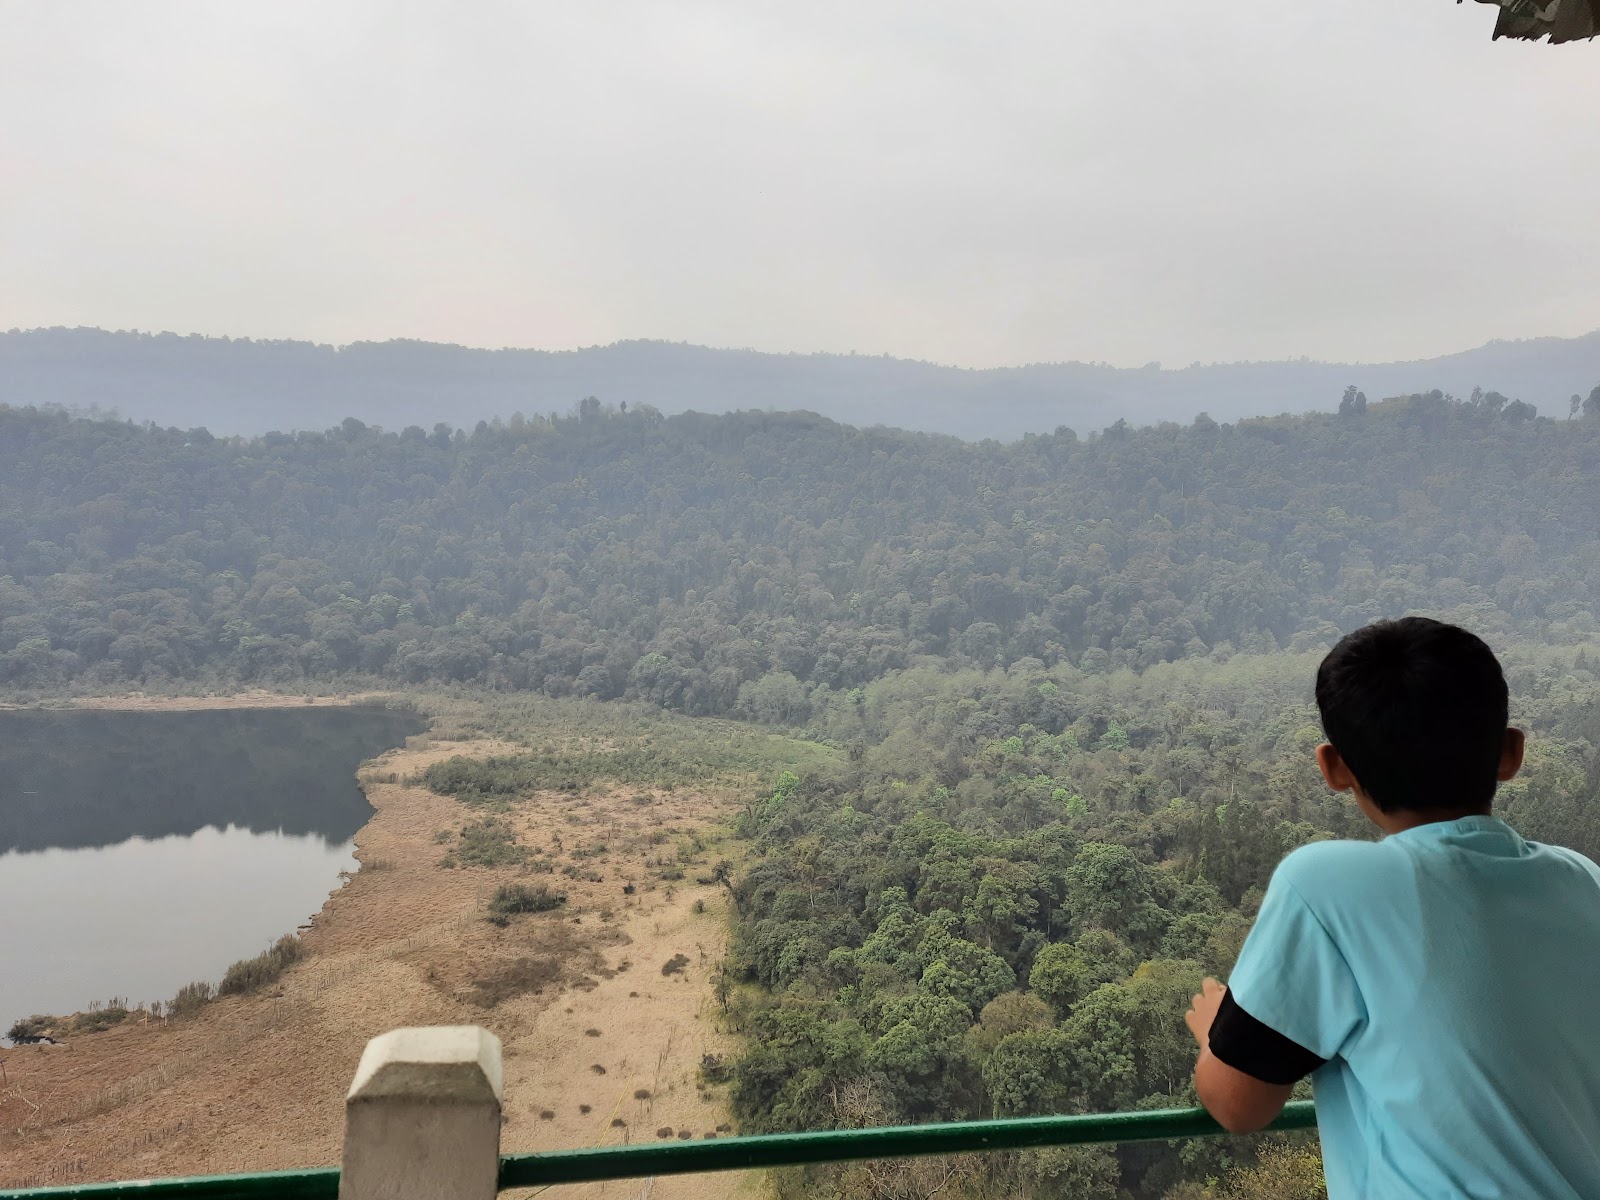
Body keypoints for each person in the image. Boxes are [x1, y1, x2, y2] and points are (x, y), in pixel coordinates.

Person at [1183, 617, 1600, 1199]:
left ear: (1333, 767)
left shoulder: (1326, 885)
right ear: (1511, 752)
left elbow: (1238, 1104)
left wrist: (1215, 1034)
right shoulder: (1584, 881)